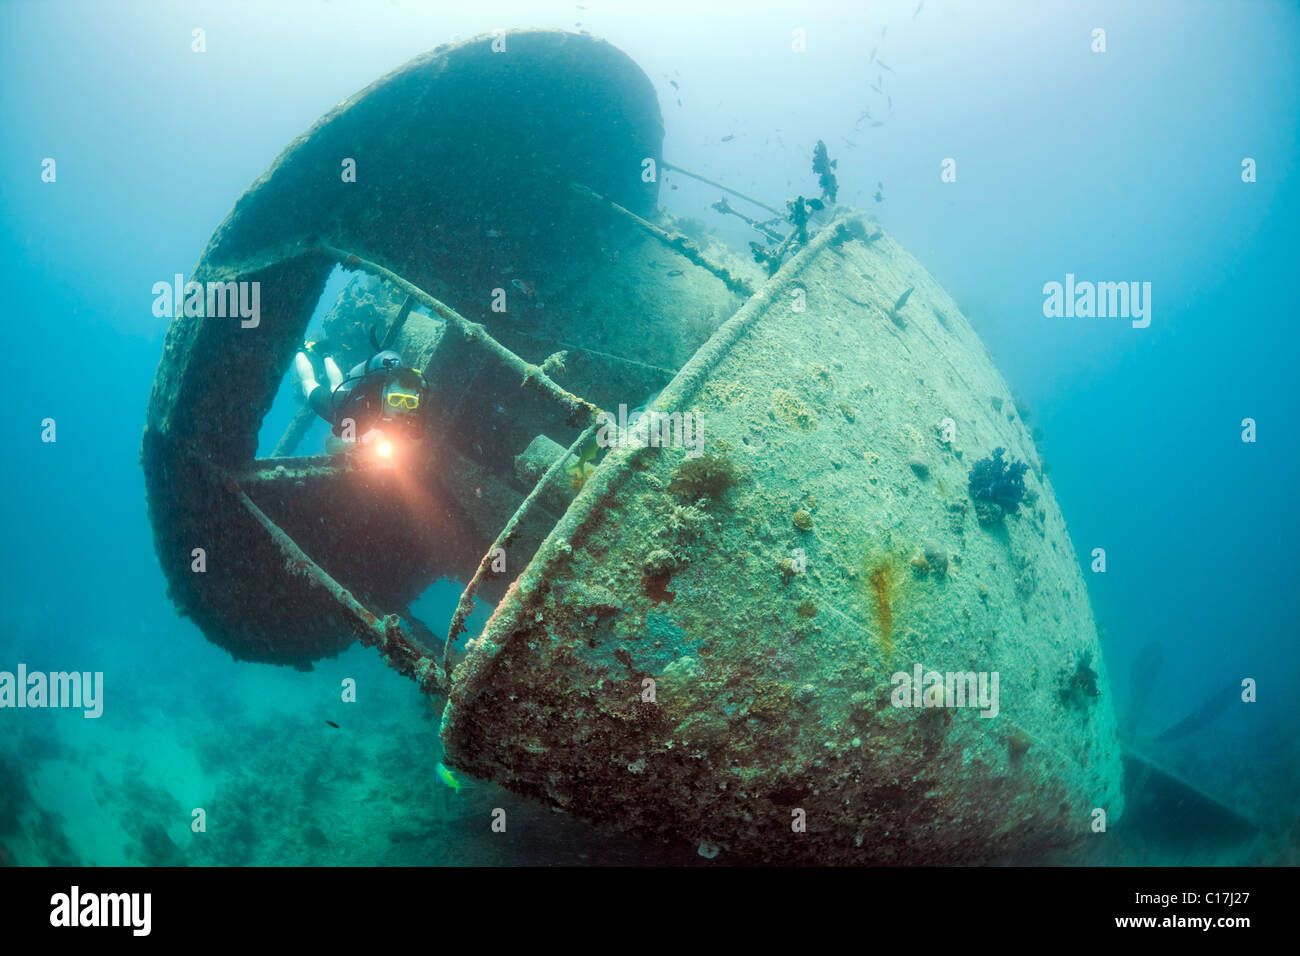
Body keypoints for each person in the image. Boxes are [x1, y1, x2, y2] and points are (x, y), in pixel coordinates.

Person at [294, 343, 428, 454]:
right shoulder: (361, 409)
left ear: (416, 399)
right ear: (385, 393)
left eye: (409, 402)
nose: (401, 406)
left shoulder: (414, 414)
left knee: (337, 385)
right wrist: (361, 440)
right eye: (396, 399)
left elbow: (417, 442)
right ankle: (299, 348)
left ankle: (326, 354)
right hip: (338, 404)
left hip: (349, 394)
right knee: (309, 384)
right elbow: (331, 446)